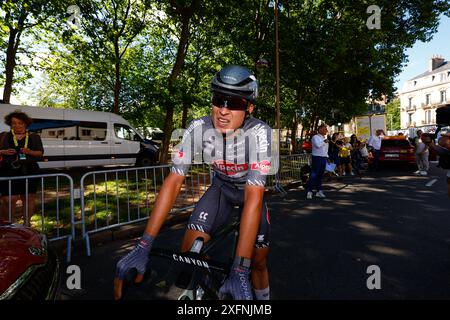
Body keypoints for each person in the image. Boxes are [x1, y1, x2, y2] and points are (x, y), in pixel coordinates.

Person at [113, 65, 273, 300]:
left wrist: (240, 268)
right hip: (221, 189)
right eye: (219, 99)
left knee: (257, 263)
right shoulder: (199, 127)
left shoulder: (260, 132)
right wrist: (143, 245)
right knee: (188, 251)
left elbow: (254, 196)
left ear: (249, 108)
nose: (223, 111)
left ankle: (260, 300)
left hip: (250, 195)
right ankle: (207, 287)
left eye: (234, 103)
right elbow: (174, 180)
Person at [0, 111, 44, 226]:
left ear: (25, 124)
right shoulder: (3, 135)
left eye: (20, 123)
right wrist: (2, 151)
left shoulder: (34, 137)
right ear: (10, 124)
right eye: (14, 123)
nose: (17, 126)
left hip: (29, 170)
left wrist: (29, 151)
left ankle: (26, 225)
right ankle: (8, 227)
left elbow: (40, 153)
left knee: (28, 198)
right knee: (9, 200)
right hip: (8, 171)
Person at [306, 124, 329, 199]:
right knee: (314, 175)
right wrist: (324, 141)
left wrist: (327, 158)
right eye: (325, 129)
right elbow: (317, 145)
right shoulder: (315, 137)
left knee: (320, 175)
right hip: (317, 157)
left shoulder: (324, 138)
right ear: (320, 130)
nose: (326, 131)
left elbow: (325, 150)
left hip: (323, 158)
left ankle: (319, 191)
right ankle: (309, 191)